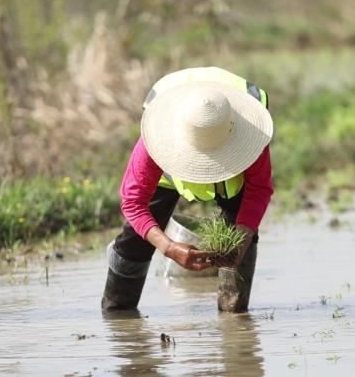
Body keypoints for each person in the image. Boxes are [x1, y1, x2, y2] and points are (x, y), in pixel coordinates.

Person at [101, 66, 274, 313]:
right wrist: (169, 248)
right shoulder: (157, 140)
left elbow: (258, 189)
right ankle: (118, 315)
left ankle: (234, 322)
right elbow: (132, 202)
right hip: (168, 171)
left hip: (233, 177)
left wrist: (242, 241)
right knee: (134, 244)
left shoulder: (250, 136)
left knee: (238, 242)